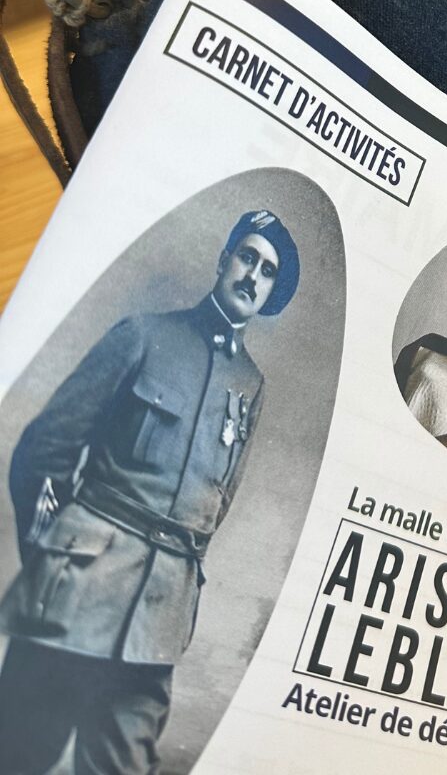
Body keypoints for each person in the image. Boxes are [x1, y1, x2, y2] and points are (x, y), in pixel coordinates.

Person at [0, 209, 299, 774]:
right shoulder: (144, 335)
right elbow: (44, 450)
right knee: (17, 756)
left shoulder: (249, 385)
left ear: (269, 293)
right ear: (224, 260)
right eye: (247, 257)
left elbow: (215, 505)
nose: (252, 276)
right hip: (74, 596)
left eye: (267, 271)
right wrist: (53, 559)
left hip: (154, 627)